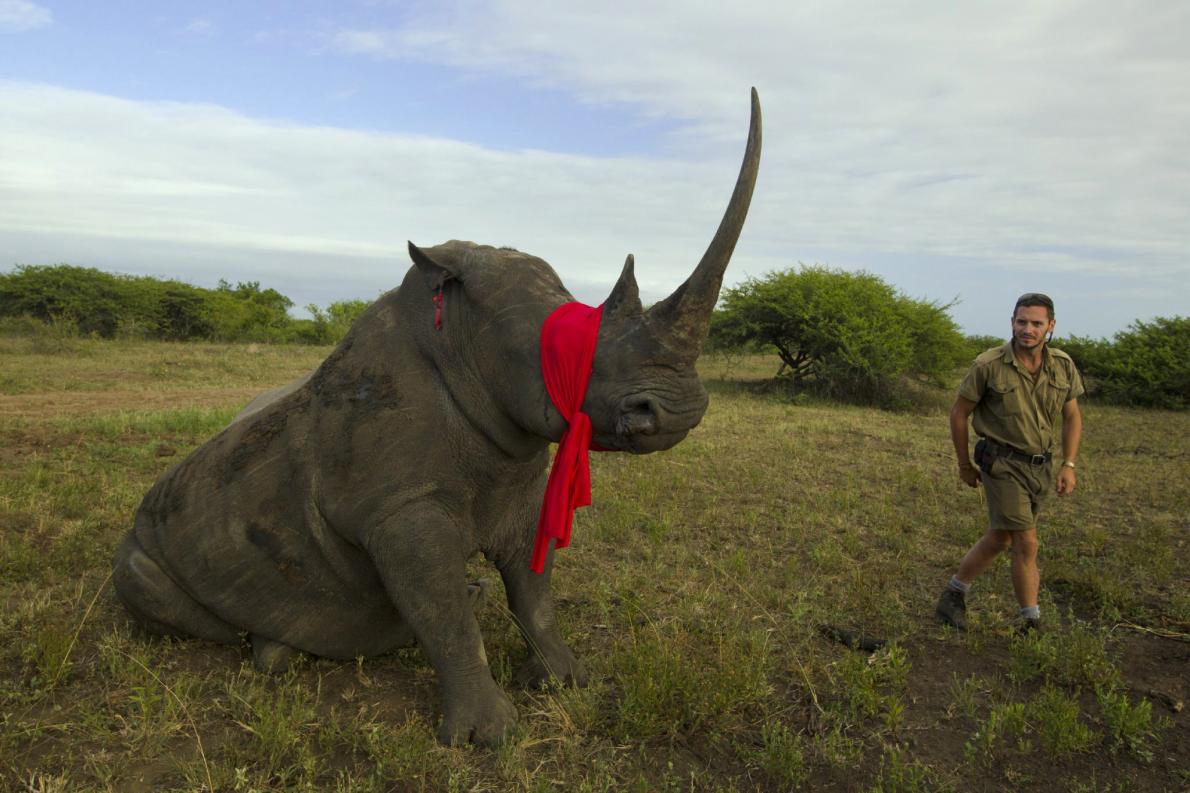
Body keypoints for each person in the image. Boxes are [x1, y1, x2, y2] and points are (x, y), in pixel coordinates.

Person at [935, 293, 1084, 634]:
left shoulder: (1062, 364)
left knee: (1002, 537)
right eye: (1021, 321)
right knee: (1026, 543)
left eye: (1036, 323)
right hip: (1001, 463)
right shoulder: (988, 364)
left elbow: (1072, 416)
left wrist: (1068, 464)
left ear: (1051, 326)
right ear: (1012, 322)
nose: (1027, 329)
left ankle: (953, 595)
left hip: (1040, 467)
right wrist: (963, 464)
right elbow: (959, 413)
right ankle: (1030, 620)